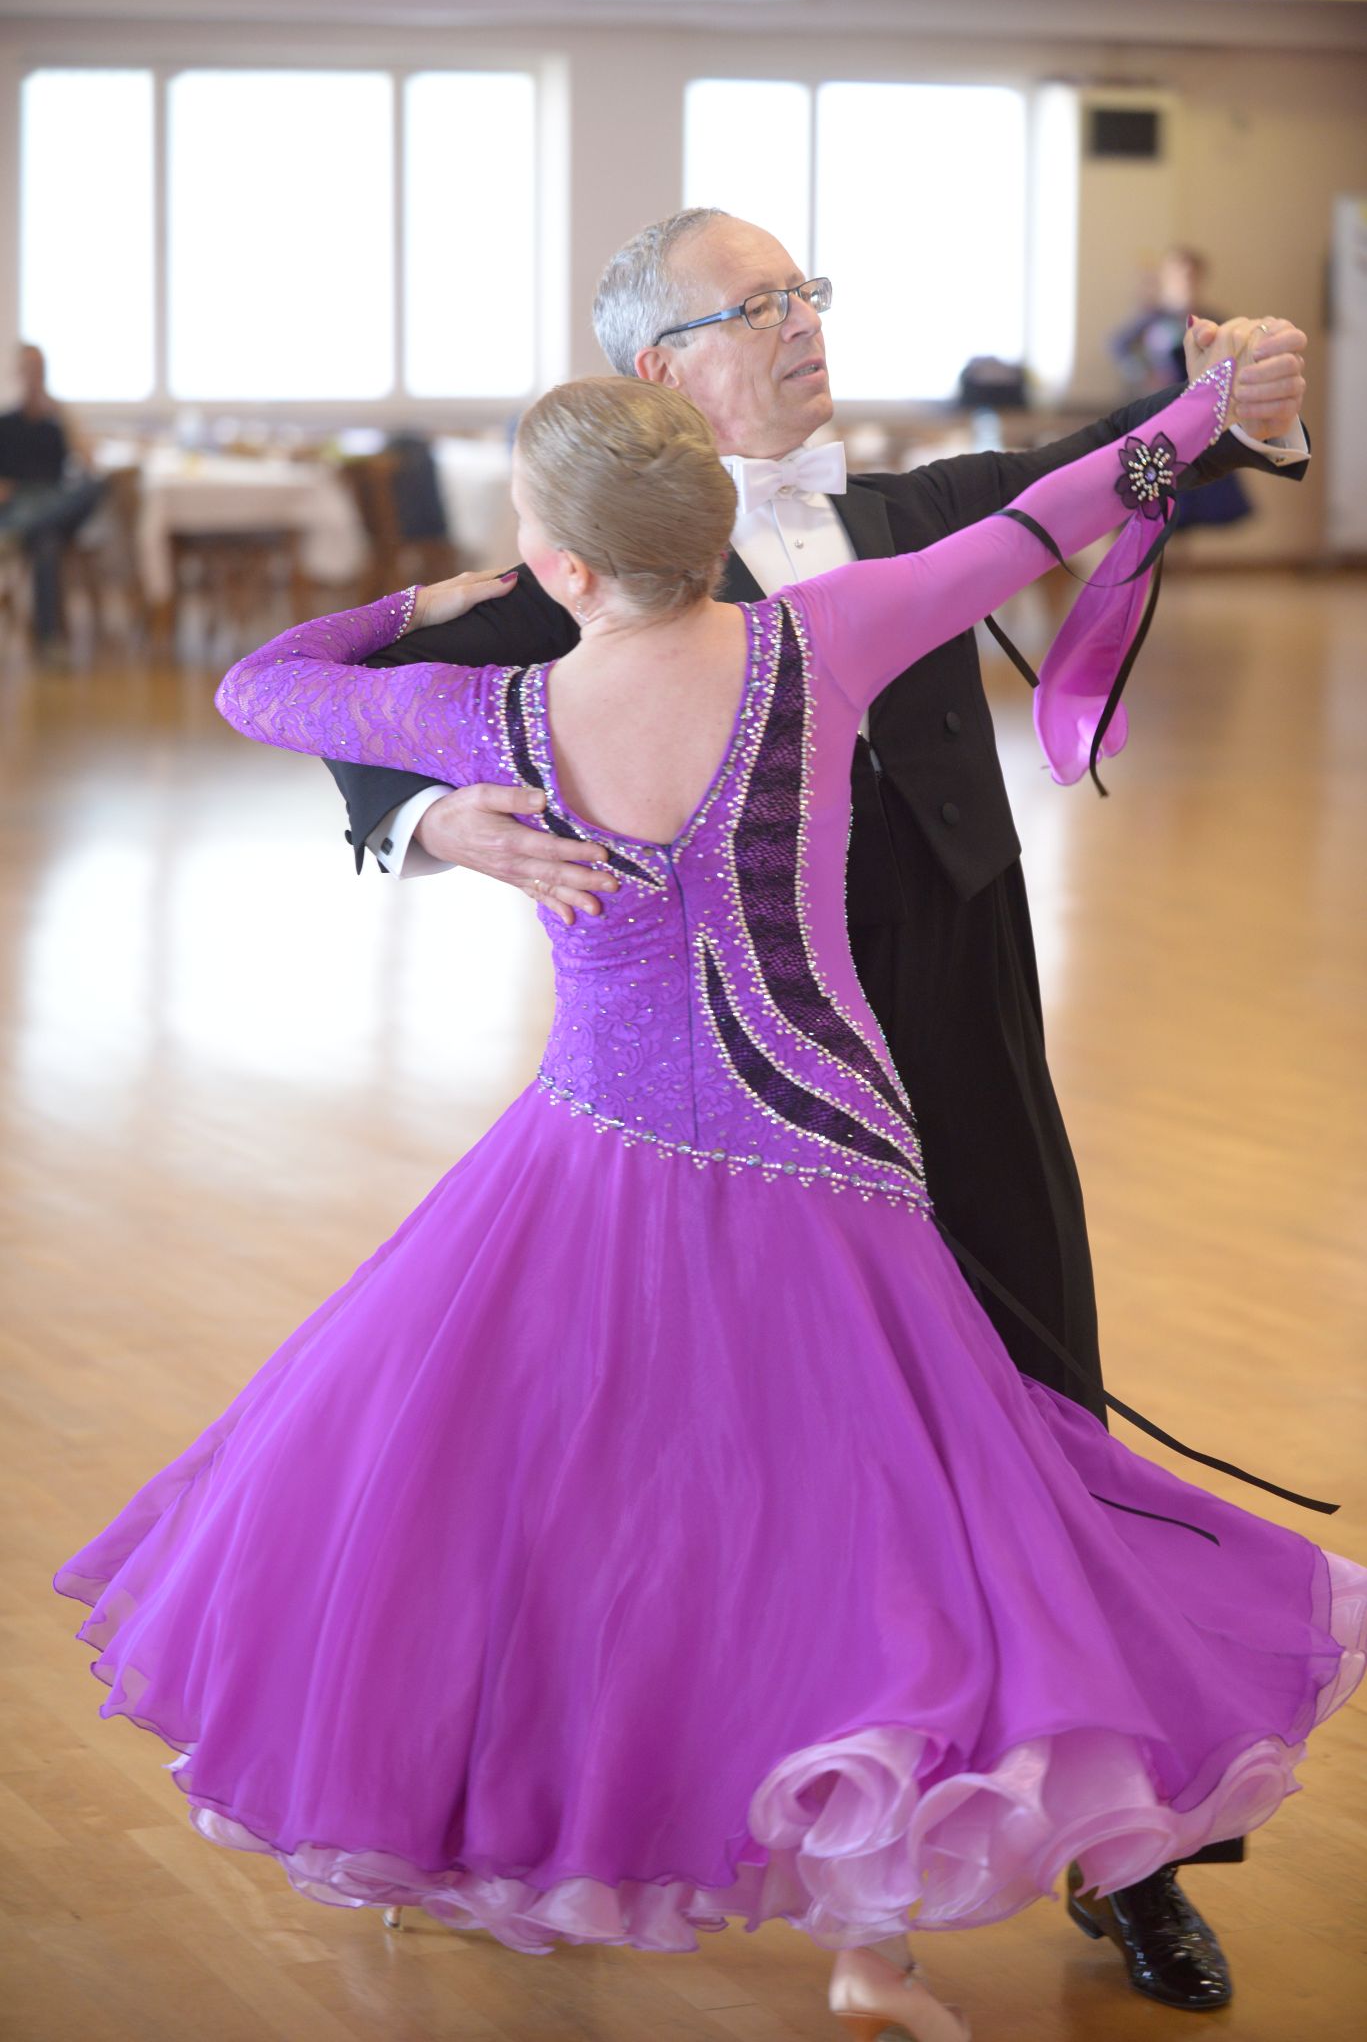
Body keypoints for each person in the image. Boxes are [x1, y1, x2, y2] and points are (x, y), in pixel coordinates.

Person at [56, 361, 1362, 2042]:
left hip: (589, 1158)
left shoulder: (497, 711)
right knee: (871, 1529)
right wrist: (1197, 409)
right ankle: (870, 1939)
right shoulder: (823, 638)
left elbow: (259, 685)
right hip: (828, 1161)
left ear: (561, 564)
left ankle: (552, 1820)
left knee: (567, 1493)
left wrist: (426, 604)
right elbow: (1053, 516)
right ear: (707, 523)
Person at [322, 209, 1311, 2010]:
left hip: (949, 1004)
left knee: (1036, 1389)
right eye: (756, 303)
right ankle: (519, 1803)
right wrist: (433, 818)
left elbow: (1107, 459)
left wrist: (1235, 389)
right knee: (615, 1446)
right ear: (660, 367)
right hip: (720, 1078)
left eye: (807, 293)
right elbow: (349, 710)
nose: (800, 323)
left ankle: (1127, 1848)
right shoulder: (581, 560)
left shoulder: (909, 512)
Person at [1111, 247, 1255, 529]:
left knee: (1198, 488)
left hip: (1202, 416)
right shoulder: (1153, 318)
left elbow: (1236, 358)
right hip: (1161, 414)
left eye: (1190, 275)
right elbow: (1118, 347)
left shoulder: (1213, 320)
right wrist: (1145, 373)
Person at [0, 342, 105, 653]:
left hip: (55, 502)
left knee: (94, 487)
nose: (34, 376)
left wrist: (64, 417)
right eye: (29, 369)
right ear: (19, 373)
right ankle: (49, 641)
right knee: (46, 543)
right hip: (21, 502)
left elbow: (90, 464)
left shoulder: (57, 422)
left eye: (39, 369)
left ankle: (23, 530)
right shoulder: (6, 424)